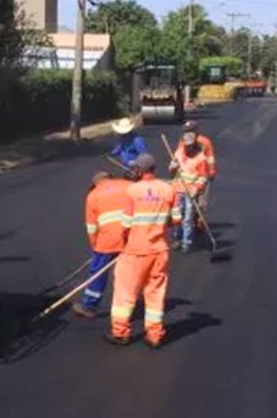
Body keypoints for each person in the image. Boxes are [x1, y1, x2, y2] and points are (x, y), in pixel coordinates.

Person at [108, 153, 181, 347]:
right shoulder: (168, 189)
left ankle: (120, 333)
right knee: (155, 293)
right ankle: (155, 335)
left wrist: (123, 242)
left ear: (140, 170)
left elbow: (125, 224)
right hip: (159, 251)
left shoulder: (132, 191)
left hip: (135, 252)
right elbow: (176, 219)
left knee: (125, 293)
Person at [74, 170, 132, 319]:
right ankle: (140, 299)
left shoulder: (93, 195)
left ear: (95, 183)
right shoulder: (129, 185)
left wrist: (95, 247)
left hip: (107, 241)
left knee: (98, 272)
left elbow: (91, 227)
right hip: (131, 238)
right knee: (133, 271)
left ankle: (89, 306)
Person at [169, 130, 211, 252]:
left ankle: (186, 243)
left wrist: (195, 189)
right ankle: (176, 238)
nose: (187, 147)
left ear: (194, 144)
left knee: (187, 218)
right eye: (185, 145)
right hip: (177, 190)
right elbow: (172, 174)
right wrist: (172, 167)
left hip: (190, 192)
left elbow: (203, 177)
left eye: (189, 145)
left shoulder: (201, 158)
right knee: (176, 216)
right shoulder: (178, 153)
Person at [175, 119, 216, 210]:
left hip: (201, 173)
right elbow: (179, 156)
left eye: (190, 130)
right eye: (186, 131)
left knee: (201, 199)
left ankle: (199, 220)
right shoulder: (183, 141)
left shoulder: (205, 142)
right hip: (189, 174)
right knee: (189, 199)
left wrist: (211, 171)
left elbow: (210, 157)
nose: (188, 133)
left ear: (196, 131)